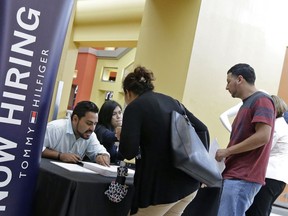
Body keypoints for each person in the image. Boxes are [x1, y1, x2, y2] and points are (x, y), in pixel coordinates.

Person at [119, 66, 210, 215]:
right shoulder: (173, 102)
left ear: (128, 93)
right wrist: (200, 168)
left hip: (160, 189)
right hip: (188, 185)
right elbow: (202, 128)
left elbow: (128, 152)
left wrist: (123, 135)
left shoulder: (135, 107)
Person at [215, 63, 275, 216]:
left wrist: (227, 151)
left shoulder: (261, 100)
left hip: (243, 176)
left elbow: (263, 136)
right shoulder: (246, 104)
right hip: (236, 175)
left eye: (228, 81)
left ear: (240, 79)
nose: (226, 87)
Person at [246, 95, 288, 216]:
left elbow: (262, 148)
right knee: (264, 210)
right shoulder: (285, 127)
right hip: (280, 179)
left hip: (269, 176)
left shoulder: (275, 127)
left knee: (256, 211)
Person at [42, 100, 110, 166]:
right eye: (89, 123)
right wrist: (60, 155)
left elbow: (100, 151)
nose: (92, 128)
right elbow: (36, 148)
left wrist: (103, 156)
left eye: (95, 124)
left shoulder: (90, 135)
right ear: (75, 119)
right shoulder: (55, 128)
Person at [95, 100, 124, 164]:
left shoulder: (113, 129)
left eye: (120, 112)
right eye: (114, 114)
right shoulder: (100, 129)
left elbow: (117, 158)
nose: (118, 116)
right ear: (107, 116)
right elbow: (109, 136)